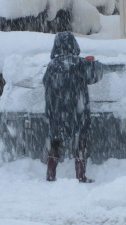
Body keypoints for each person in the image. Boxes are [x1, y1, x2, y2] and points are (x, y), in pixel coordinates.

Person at [43, 31, 103, 182]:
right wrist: (94, 64)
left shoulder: (51, 66)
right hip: (77, 109)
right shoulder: (79, 63)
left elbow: (45, 83)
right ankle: (81, 175)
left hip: (56, 111)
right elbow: (94, 76)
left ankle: (50, 174)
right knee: (81, 141)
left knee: (55, 141)